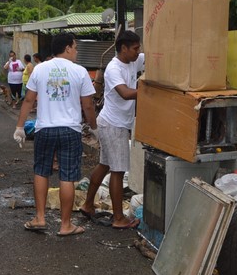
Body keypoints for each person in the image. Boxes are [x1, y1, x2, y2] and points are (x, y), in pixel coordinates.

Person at [15, 32, 97, 237]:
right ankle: (65, 225)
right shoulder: (80, 72)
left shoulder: (40, 69)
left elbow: (28, 100)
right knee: (67, 176)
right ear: (67, 48)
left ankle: (40, 218)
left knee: (41, 171)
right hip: (70, 129)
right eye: (75, 47)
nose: (76, 51)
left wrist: (19, 126)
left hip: (44, 129)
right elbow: (87, 105)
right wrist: (94, 127)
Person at [81, 30, 144, 229]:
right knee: (117, 170)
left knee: (105, 165)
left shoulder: (134, 60)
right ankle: (118, 218)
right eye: (135, 48)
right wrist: (150, 91)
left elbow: (156, 56)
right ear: (123, 48)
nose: (138, 52)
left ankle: (87, 204)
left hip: (113, 123)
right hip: (113, 124)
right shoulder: (113, 68)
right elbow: (125, 93)